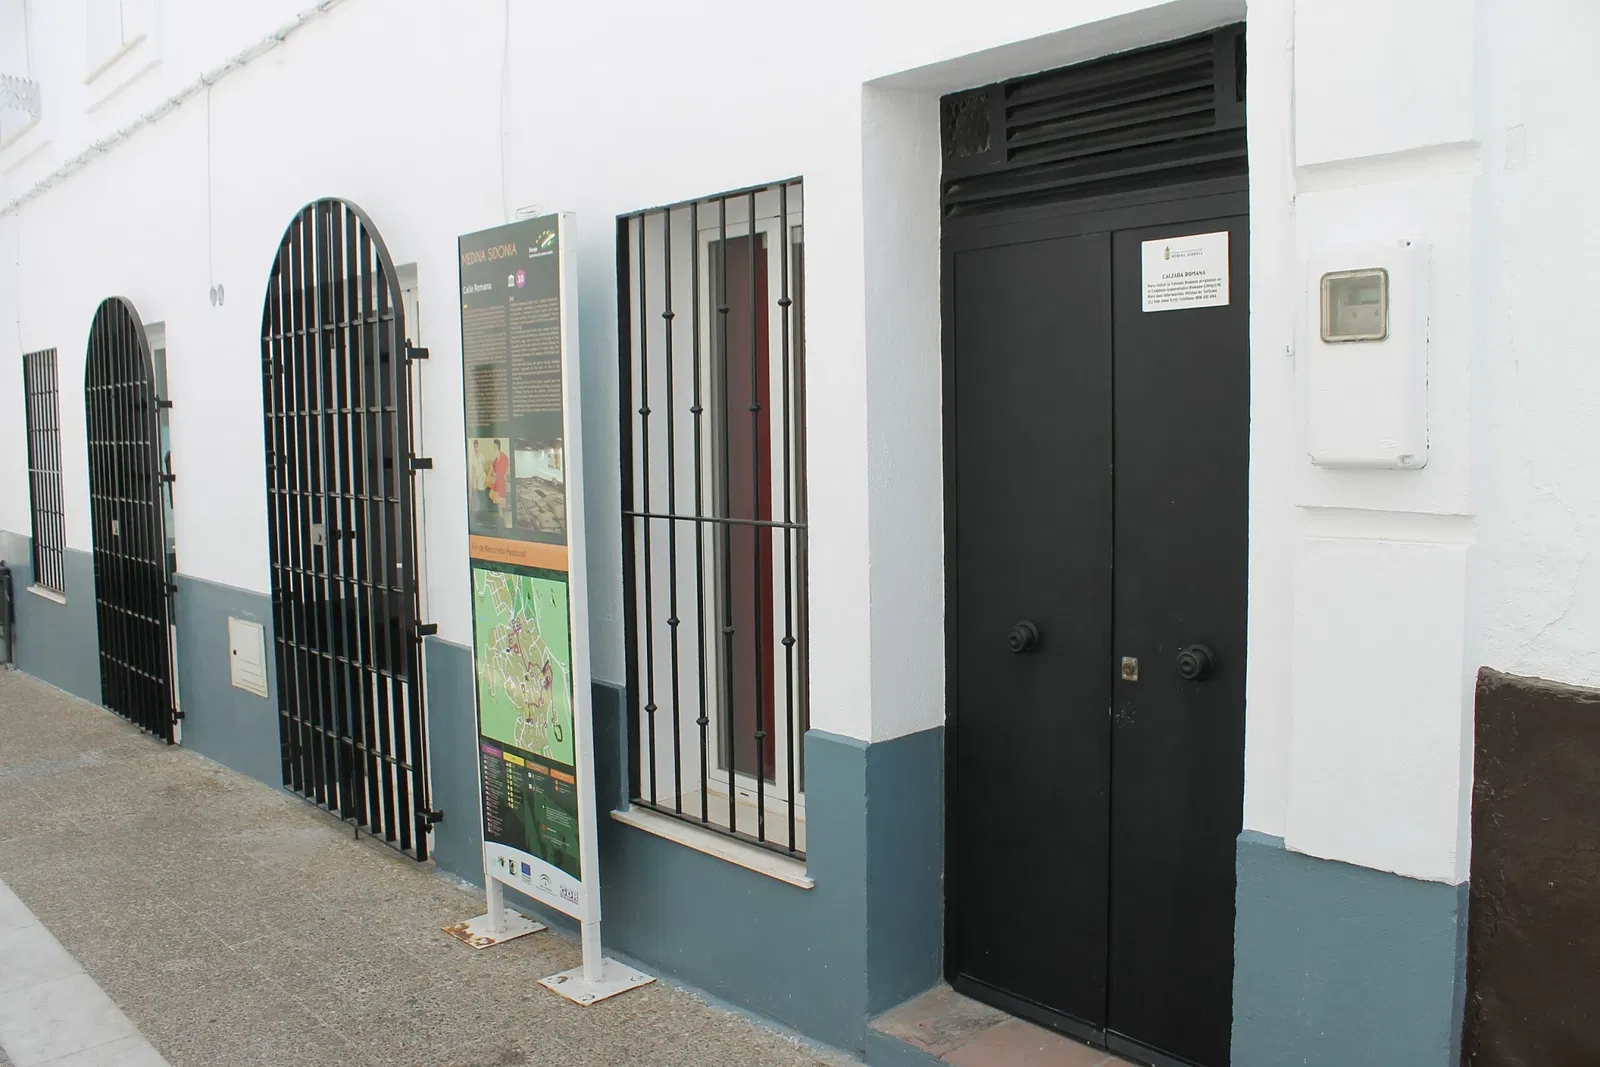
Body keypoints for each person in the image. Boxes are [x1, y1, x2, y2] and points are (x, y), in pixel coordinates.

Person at [490, 438, 511, 527]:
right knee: (495, 498)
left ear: (498, 446)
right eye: (493, 446)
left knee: (501, 500)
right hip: (497, 481)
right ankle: (501, 517)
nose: (494, 447)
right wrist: (492, 472)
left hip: (502, 481)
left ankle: (503, 518)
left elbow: (508, 467)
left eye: (495, 445)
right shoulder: (495, 460)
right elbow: (494, 472)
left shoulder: (504, 457)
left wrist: (506, 474)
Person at [470, 440, 490, 520]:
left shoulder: (481, 455)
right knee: (478, 494)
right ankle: (480, 512)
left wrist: (488, 474)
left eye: (477, 446)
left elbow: (484, 466)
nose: (476, 448)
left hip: (482, 476)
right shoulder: (472, 456)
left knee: (483, 494)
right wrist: (473, 480)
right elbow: (473, 468)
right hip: (476, 478)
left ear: (478, 446)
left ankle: (484, 511)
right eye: (474, 447)